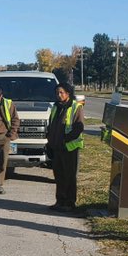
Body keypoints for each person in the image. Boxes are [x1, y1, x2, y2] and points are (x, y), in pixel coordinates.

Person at [47, 81, 85, 212]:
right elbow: (51, 125)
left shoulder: (76, 107)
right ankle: (60, 201)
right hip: (57, 148)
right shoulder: (56, 107)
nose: (58, 95)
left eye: (61, 92)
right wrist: (50, 141)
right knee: (59, 176)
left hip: (69, 148)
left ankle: (69, 203)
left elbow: (79, 127)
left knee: (69, 176)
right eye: (57, 92)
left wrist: (65, 140)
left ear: (68, 94)